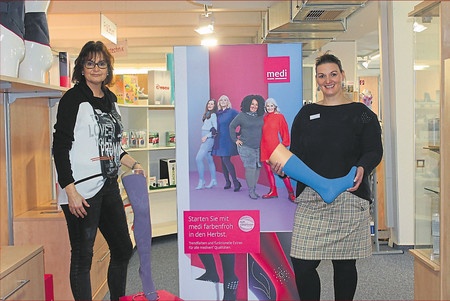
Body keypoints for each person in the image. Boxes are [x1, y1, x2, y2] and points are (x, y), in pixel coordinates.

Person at [271, 53, 383, 300]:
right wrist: (283, 169)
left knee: (344, 264)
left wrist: (363, 167)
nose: (328, 80)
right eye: (322, 76)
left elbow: (374, 150)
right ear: (317, 80)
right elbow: (296, 154)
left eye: (333, 74)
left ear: (342, 76)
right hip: (311, 198)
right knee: (302, 262)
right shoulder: (305, 113)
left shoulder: (362, 113)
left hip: (348, 195)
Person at [53, 41, 144, 301]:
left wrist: (133, 164)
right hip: (80, 190)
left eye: (101, 63)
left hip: (108, 185)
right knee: (83, 256)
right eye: (90, 63)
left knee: (123, 247)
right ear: (81, 67)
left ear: (108, 69)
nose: (96, 68)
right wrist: (69, 190)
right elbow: (60, 146)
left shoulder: (111, 100)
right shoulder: (72, 99)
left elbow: (114, 146)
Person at [229, 95, 265, 199]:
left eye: (256, 104)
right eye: (252, 104)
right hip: (246, 147)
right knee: (251, 168)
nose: (254, 106)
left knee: (257, 167)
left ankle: (253, 188)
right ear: (248, 104)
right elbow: (232, 126)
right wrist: (236, 140)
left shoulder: (261, 116)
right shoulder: (242, 115)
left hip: (259, 147)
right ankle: (251, 191)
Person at [260, 98, 295, 201]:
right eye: (268, 106)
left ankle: (291, 193)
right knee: (269, 171)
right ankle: (273, 191)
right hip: (264, 148)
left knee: (282, 172)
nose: (270, 108)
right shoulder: (264, 119)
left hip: (275, 149)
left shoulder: (279, 117)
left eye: (271, 106)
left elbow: (285, 132)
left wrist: (283, 145)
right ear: (265, 107)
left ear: (275, 106)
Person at [212, 95, 241, 191]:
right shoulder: (217, 113)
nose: (223, 101)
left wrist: (238, 133)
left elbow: (241, 119)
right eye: (221, 100)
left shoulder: (232, 112)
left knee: (226, 160)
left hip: (228, 139)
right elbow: (212, 124)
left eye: (225, 100)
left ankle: (236, 182)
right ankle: (227, 182)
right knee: (222, 161)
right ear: (219, 102)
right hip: (219, 139)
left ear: (228, 102)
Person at [195, 99, 218, 189]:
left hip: (208, 139)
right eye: (209, 103)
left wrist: (206, 136)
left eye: (212, 104)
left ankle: (202, 180)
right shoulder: (207, 114)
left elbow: (215, 130)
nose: (210, 105)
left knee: (198, 158)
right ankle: (213, 180)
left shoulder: (213, 115)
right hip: (206, 138)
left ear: (214, 106)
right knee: (209, 159)